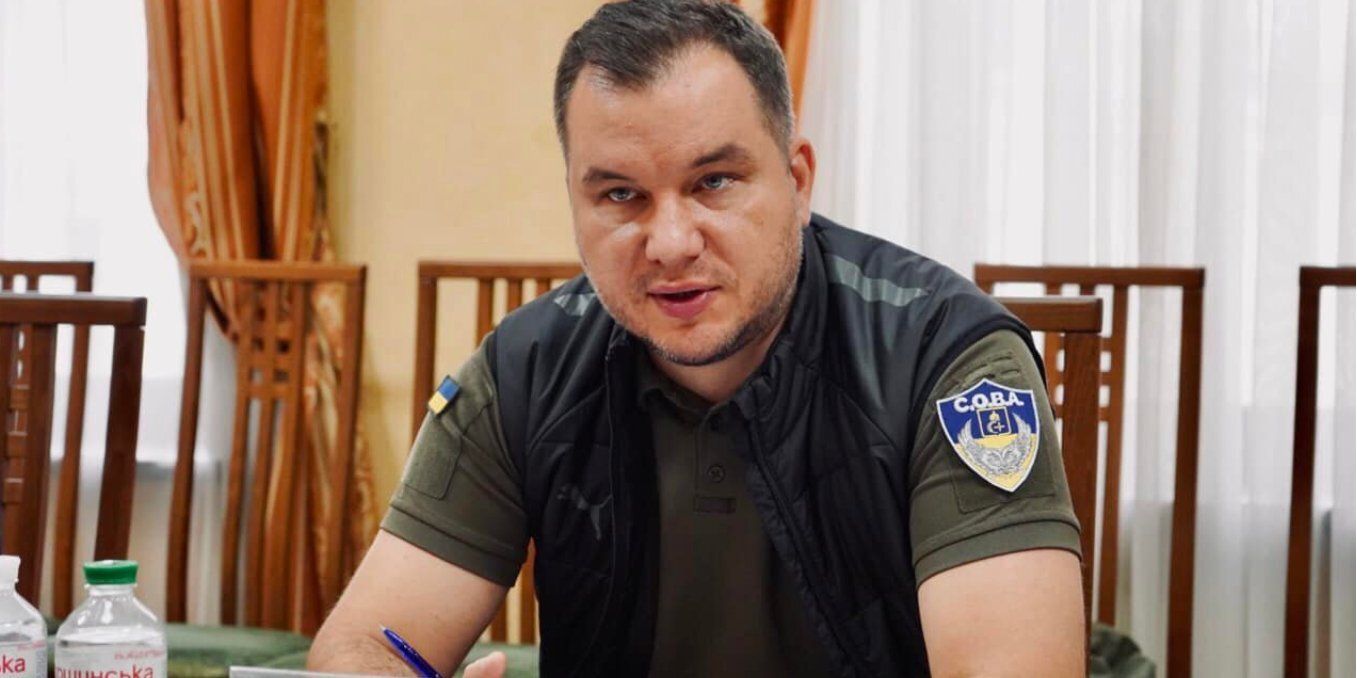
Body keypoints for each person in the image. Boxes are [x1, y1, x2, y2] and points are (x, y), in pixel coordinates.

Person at [309, 1, 1084, 675]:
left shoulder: (945, 360)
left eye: (713, 182)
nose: (671, 243)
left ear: (797, 180)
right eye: (621, 195)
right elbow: (364, 645)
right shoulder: (524, 372)